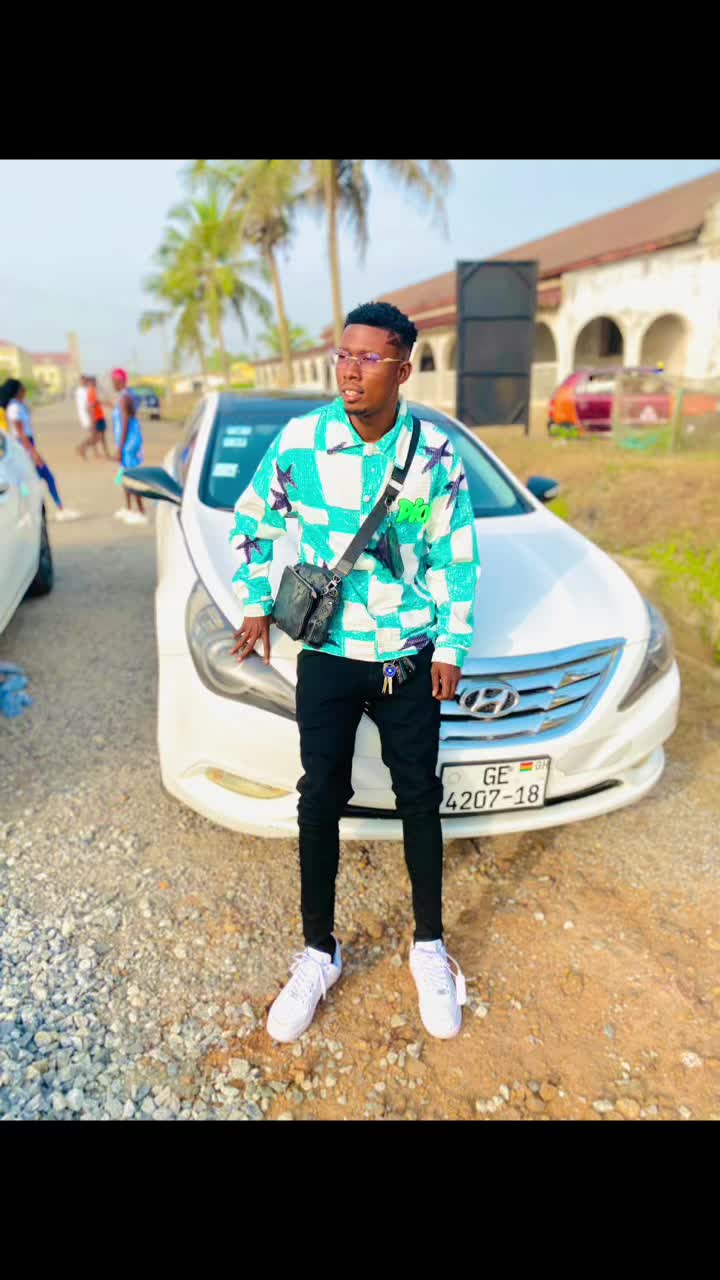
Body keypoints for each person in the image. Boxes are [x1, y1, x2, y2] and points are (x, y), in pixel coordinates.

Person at [230, 301, 481, 1044]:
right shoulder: (301, 441)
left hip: (407, 654)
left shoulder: (434, 456)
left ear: (403, 370)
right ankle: (319, 952)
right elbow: (252, 522)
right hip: (330, 654)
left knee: (419, 797)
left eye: (370, 358)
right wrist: (254, 603)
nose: (350, 369)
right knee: (320, 799)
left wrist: (451, 645)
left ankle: (429, 947)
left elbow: (456, 552)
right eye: (344, 354)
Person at [3, 379, 80, 521]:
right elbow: (20, 433)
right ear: (17, 391)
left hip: (27, 445)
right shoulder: (14, 408)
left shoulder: (19, 405)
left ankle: (35, 510)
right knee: (39, 478)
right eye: (23, 389)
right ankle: (49, 509)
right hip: (24, 446)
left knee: (32, 480)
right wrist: (33, 453)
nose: (25, 391)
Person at [111, 367, 146, 524]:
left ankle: (141, 511)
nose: (112, 384)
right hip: (126, 442)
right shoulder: (124, 396)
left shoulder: (125, 398)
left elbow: (125, 423)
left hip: (129, 443)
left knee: (132, 476)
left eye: (114, 381)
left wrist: (120, 448)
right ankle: (129, 508)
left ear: (120, 381)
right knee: (124, 475)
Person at [78, 376, 111, 460]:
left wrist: (105, 403)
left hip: (100, 416)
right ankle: (82, 447)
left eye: (95, 382)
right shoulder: (91, 392)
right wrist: (93, 420)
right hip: (96, 418)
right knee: (96, 438)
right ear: (90, 383)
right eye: (93, 382)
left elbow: (96, 402)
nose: (95, 384)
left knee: (101, 437)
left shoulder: (93, 391)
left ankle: (106, 453)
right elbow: (89, 407)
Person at [75, 376, 91, 442]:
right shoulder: (79, 390)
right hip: (82, 411)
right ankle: (86, 442)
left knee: (90, 428)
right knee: (87, 427)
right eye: (82, 380)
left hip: (89, 410)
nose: (83, 382)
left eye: (84, 380)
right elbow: (79, 402)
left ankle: (88, 442)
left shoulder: (88, 389)